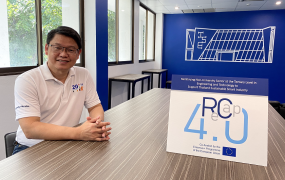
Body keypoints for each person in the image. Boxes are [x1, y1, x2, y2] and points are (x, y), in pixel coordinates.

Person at [13, 26, 111, 155]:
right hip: (31, 148)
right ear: (47, 49)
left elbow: (95, 106)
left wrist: (96, 125)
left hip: (69, 142)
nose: (63, 54)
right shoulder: (27, 80)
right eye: (57, 48)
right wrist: (80, 132)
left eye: (71, 49)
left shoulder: (83, 75)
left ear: (78, 54)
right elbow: (30, 129)